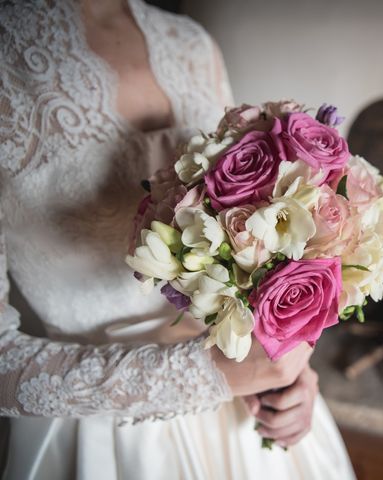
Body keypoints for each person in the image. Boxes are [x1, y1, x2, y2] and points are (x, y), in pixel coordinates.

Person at [0, 0, 356, 478]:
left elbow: (251, 236)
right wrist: (208, 374)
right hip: (102, 441)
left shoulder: (191, 44)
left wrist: (289, 371)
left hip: (246, 414)